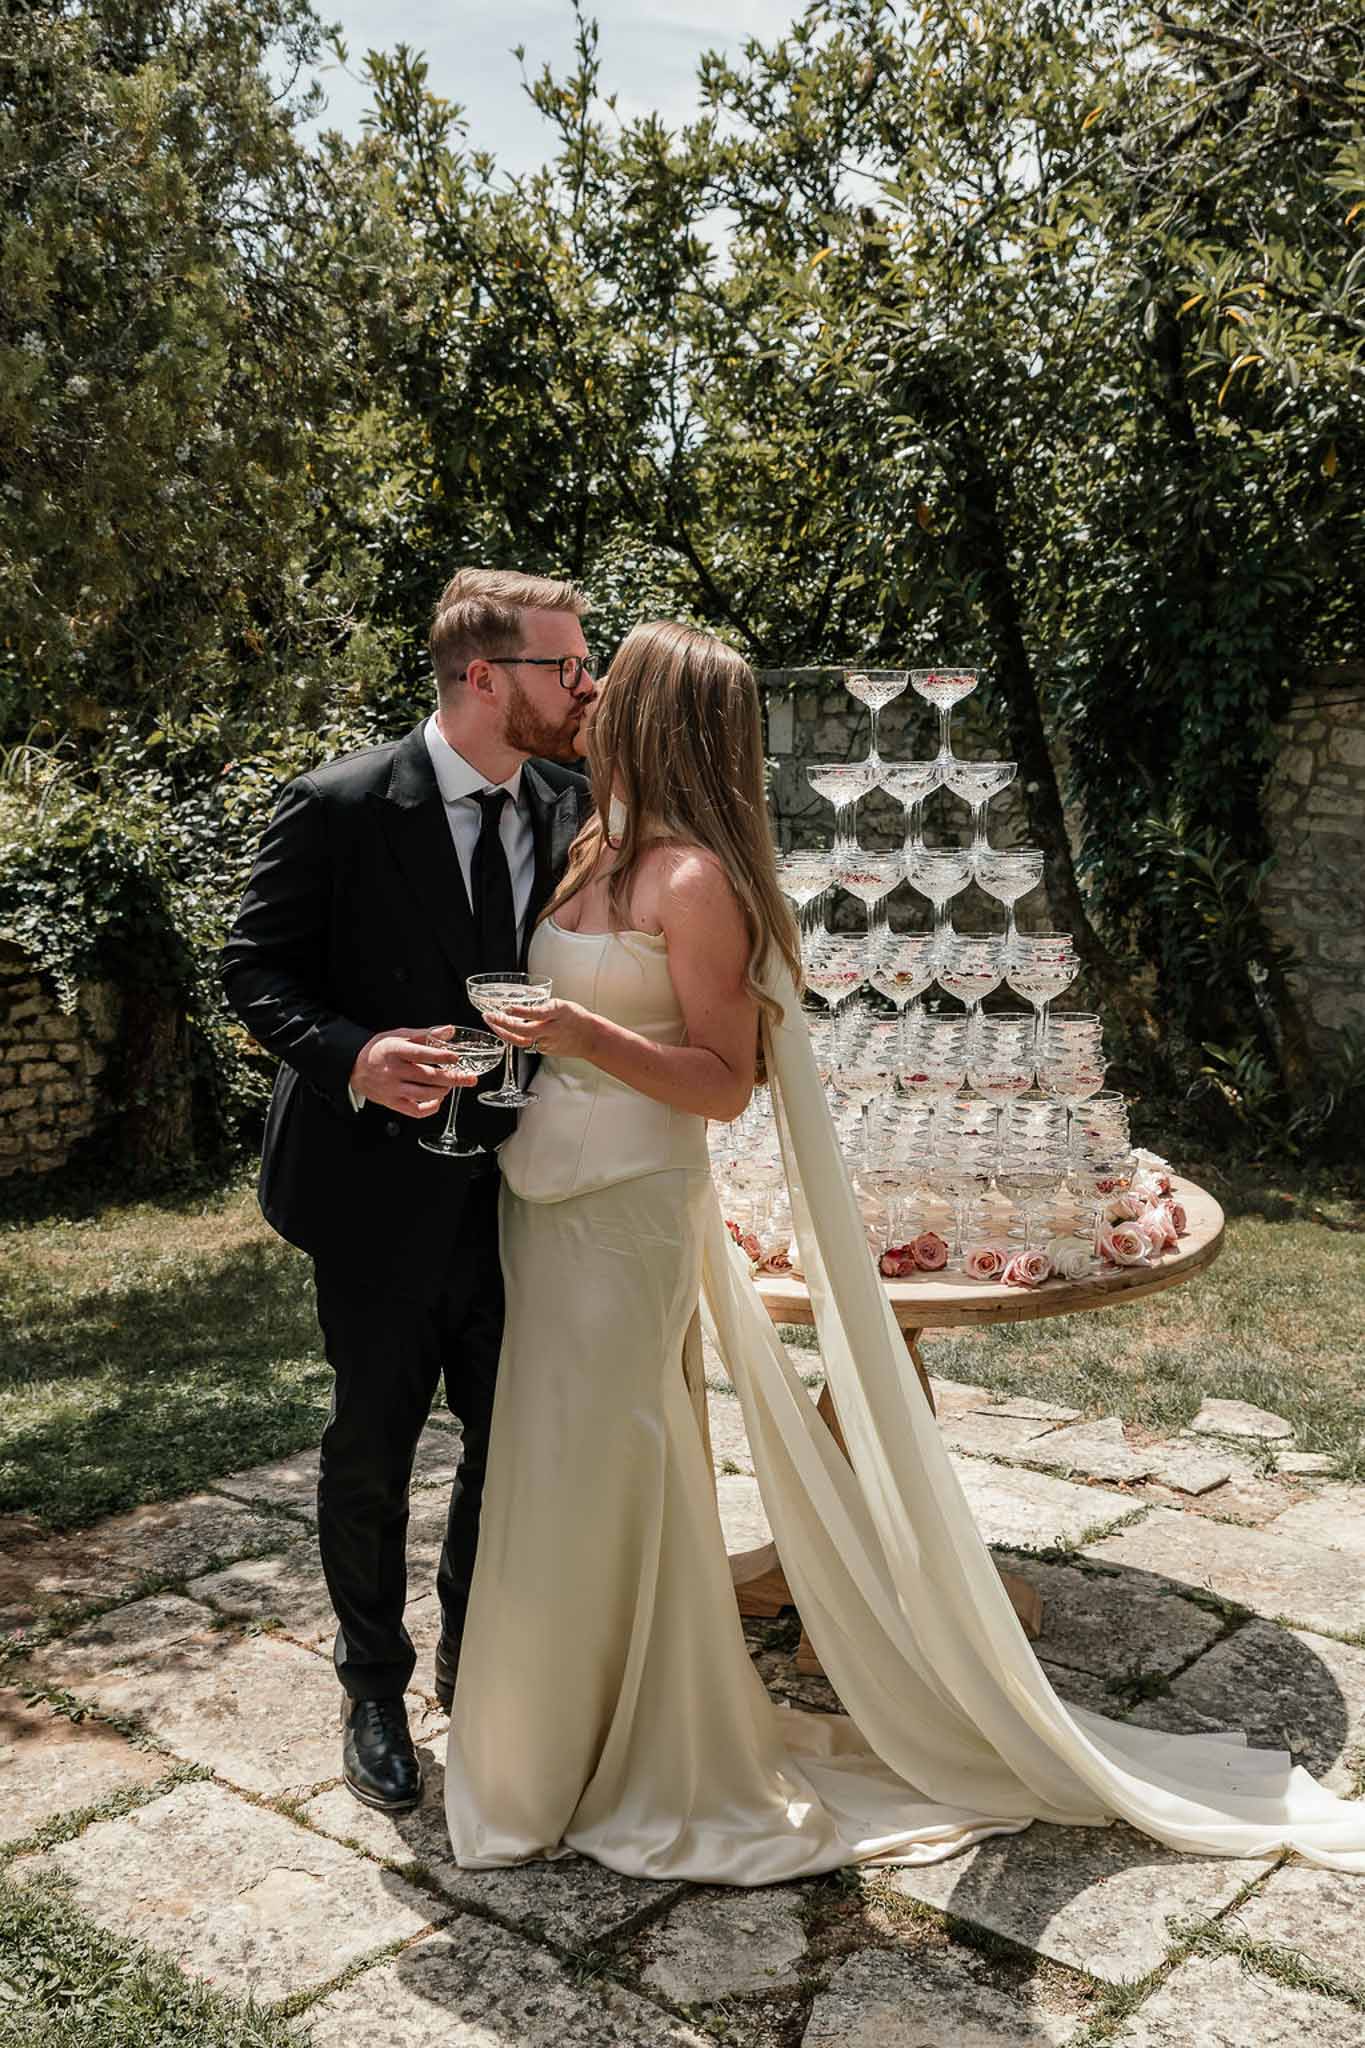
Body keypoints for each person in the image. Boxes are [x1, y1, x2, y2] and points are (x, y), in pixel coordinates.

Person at [441, 617, 1365, 1882]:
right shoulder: (596, 845)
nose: (587, 692)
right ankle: (547, 1739)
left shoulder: (698, 879)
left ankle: (619, 1752)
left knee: (604, 1471)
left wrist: (580, 1036)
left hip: (627, 1217)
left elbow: (724, 1084)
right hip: (541, 1201)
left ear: (659, 713)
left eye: (614, 680)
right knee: (546, 1471)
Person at [220, 567, 595, 1814]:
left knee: (508, 1442)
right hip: (374, 1192)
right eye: (564, 665)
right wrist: (355, 1057)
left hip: (526, 1187)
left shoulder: (573, 801)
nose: (583, 684)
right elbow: (254, 968)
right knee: (373, 1445)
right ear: (484, 677)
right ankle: (372, 1685)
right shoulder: (337, 805)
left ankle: (475, 1662)